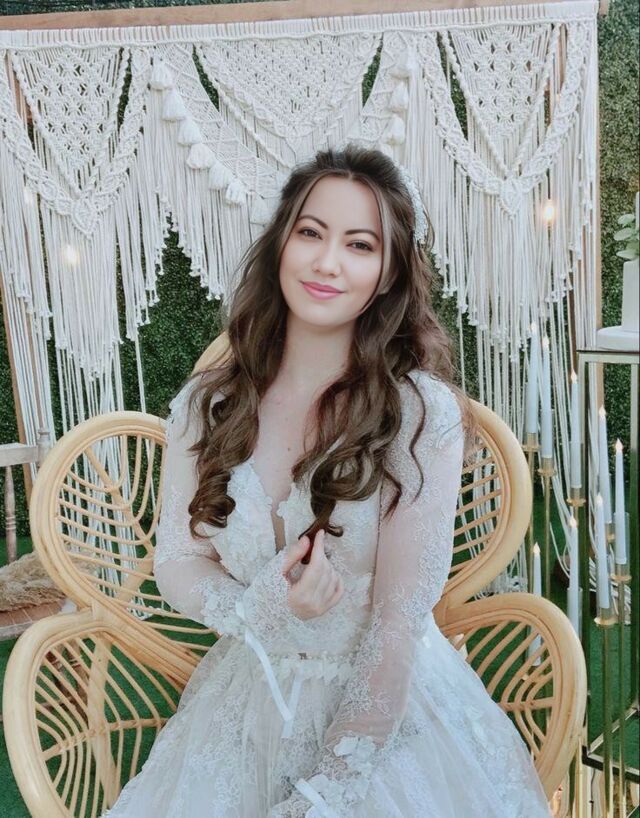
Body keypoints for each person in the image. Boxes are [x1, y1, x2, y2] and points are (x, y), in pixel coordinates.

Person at [103, 144, 552, 817]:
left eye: (359, 245)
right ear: (281, 244)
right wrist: (255, 610)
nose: (327, 263)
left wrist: (326, 794)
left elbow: (400, 620)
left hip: (392, 713)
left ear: (389, 272)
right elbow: (178, 560)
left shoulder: (418, 414)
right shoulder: (208, 404)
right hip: (247, 705)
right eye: (311, 233)